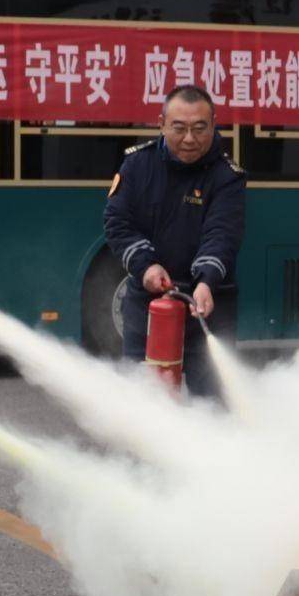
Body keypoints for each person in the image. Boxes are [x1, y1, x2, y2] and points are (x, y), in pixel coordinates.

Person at [102, 85, 246, 398]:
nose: (190, 139)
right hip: (147, 305)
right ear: (162, 124)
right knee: (145, 399)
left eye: (199, 128)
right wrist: (146, 266)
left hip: (208, 304)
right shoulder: (137, 166)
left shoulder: (227, 177)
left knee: (214, 403)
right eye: (179, 128)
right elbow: (118, 223)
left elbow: (222, 234)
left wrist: (206, 281)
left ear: (214, 124)